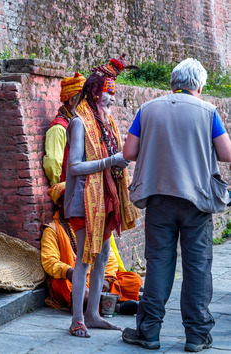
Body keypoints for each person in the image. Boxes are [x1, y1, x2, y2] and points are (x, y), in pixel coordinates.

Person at [122, 58, 231, 352]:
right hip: (197, 202)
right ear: (199, 86)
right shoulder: (208, 111)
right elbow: (226, 154)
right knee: (197, 267)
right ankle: (196, 335)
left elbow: (129, 152)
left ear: (172, 83)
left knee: (158, 265)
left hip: (159, 198)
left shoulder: (148, 109)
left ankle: (149, 332)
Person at [64, 56, 139, 338]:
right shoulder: (79, 123)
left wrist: (116, 162)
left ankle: (93, 314)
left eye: (113, 94)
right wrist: (111, 162)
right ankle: (77, 319)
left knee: (104, 254)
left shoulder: (104, 122)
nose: (111, 99)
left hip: (104, 197)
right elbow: (74, 167)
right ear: (96, 92)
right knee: (84, 258)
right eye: (108, 93)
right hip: (84, 199)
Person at [41, 182, 141, 315]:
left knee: (133, 279)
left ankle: (99, 301)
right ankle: (114, 305)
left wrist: (106, 278)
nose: (78, 202)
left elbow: (108, 256)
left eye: (79, 198)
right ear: (60, 203)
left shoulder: (91, 225)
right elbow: (49, 262)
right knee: (67, 287)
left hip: (96, 276)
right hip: (71, 278)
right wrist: (71, 272)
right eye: (72, 199)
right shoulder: (52, 230)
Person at [43, 72, 86, 186]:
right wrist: (60, 188)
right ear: (71, 101)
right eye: (83, 101)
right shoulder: (59, 128)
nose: (86, 106)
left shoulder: (76, 124)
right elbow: (52, 162)